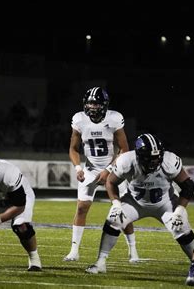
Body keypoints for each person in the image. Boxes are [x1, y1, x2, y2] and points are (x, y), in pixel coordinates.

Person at [85, 133, 194, 276]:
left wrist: (180, 210)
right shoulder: (126, 161)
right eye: (149, 158)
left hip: (165, 203)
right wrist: (116, 204)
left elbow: (188, 185)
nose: (154, 162)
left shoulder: (169, 160)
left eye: (157, 157)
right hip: (135, 202)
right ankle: (100, 263)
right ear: (138, 156)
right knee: (114, 219)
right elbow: (111, 182)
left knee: (181, 227)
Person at [65, 86, 139, 263]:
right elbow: (73, 149)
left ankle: (133, 250)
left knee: (122, 211)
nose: (92, 106)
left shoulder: (114, 118)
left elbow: (124, 149)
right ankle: (74, 251)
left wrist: (109, 170)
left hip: (115, 169)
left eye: (96, 103)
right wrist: (78, 168)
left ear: (104, 105)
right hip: (90, 169)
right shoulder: (79, 119)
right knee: (81, 208)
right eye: (90, 103)